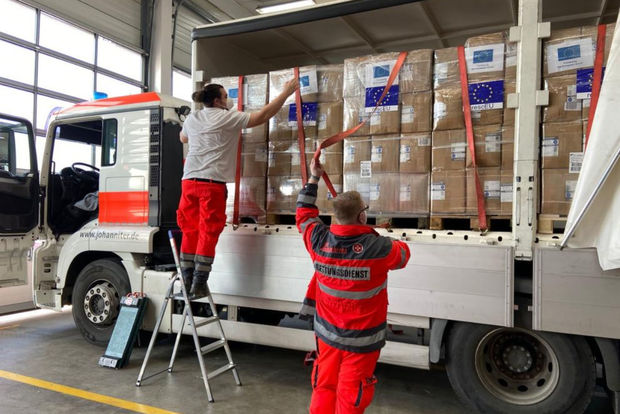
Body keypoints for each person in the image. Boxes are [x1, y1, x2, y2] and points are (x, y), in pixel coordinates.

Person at [296, 158, 411, 414]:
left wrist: (314, 178)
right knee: (351, 395)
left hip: (326, 336)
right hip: (361, 342)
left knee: (324, 386)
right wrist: (384, 238)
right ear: (361, 215)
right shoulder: (378, 247)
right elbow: (403, 255)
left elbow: (303, 214)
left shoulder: (318, 240)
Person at [178, 79, 299, 297]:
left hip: (188, 182)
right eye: (226, 96)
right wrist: (286, 92)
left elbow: (183, 137)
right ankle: (199, 283)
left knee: (190, 230)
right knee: (208, 232)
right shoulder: (227, 117)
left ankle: (187, 282)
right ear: (218, 101)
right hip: (211, 184)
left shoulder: (193, 118)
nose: (229, 100)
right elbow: (262, 116)